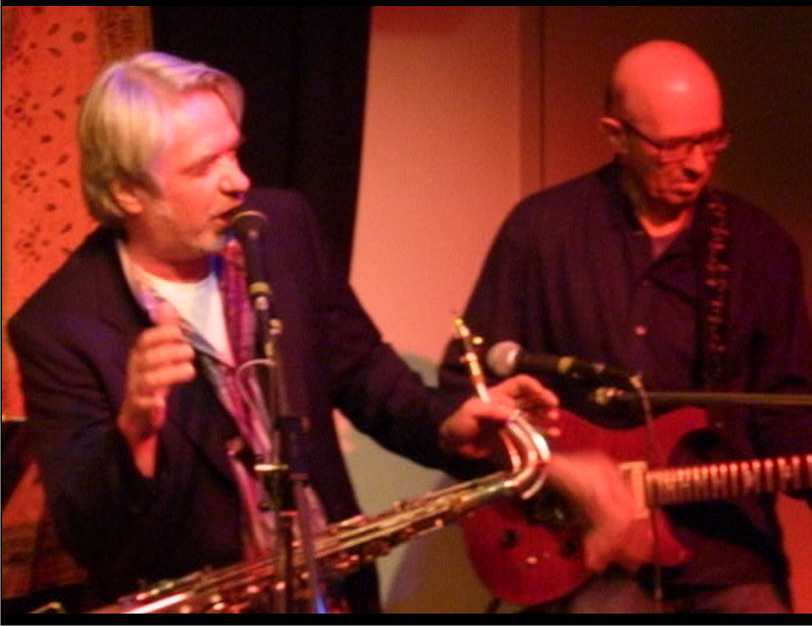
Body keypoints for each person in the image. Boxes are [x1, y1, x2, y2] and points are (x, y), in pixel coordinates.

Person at [7, 51, 563, 613]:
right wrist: (134, 431)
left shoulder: (282, 227)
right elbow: (90, 536)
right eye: (204, 167)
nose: (239, 181)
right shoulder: (59, 325)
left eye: (233, 152)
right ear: (129, 191)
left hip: (333, 596)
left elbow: (363, 371)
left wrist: (447, 421)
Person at [440, 40, 812, 613]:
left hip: (725, 552)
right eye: (673, 146)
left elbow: (786, 411)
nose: (698, 164)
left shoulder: (760, 247)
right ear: (616, 135)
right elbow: (466, 390)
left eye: (712, 140)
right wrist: (560, 472)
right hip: (584, 553)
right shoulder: (542, 232)